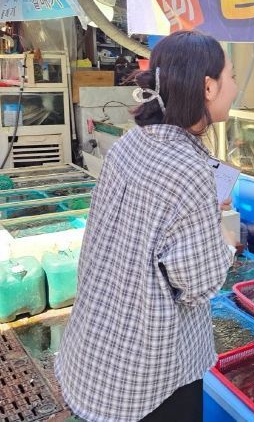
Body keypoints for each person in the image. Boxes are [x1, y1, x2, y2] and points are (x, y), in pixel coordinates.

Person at [56, 31, 240, 421]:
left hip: (96, 348)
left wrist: (200, 211)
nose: (236, 87)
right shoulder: (189, 170)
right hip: (149, 375)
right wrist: (222, 239)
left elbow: (148, 224)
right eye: (233, 76)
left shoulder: (132, 142)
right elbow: (197, 284)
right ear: (208, 87)